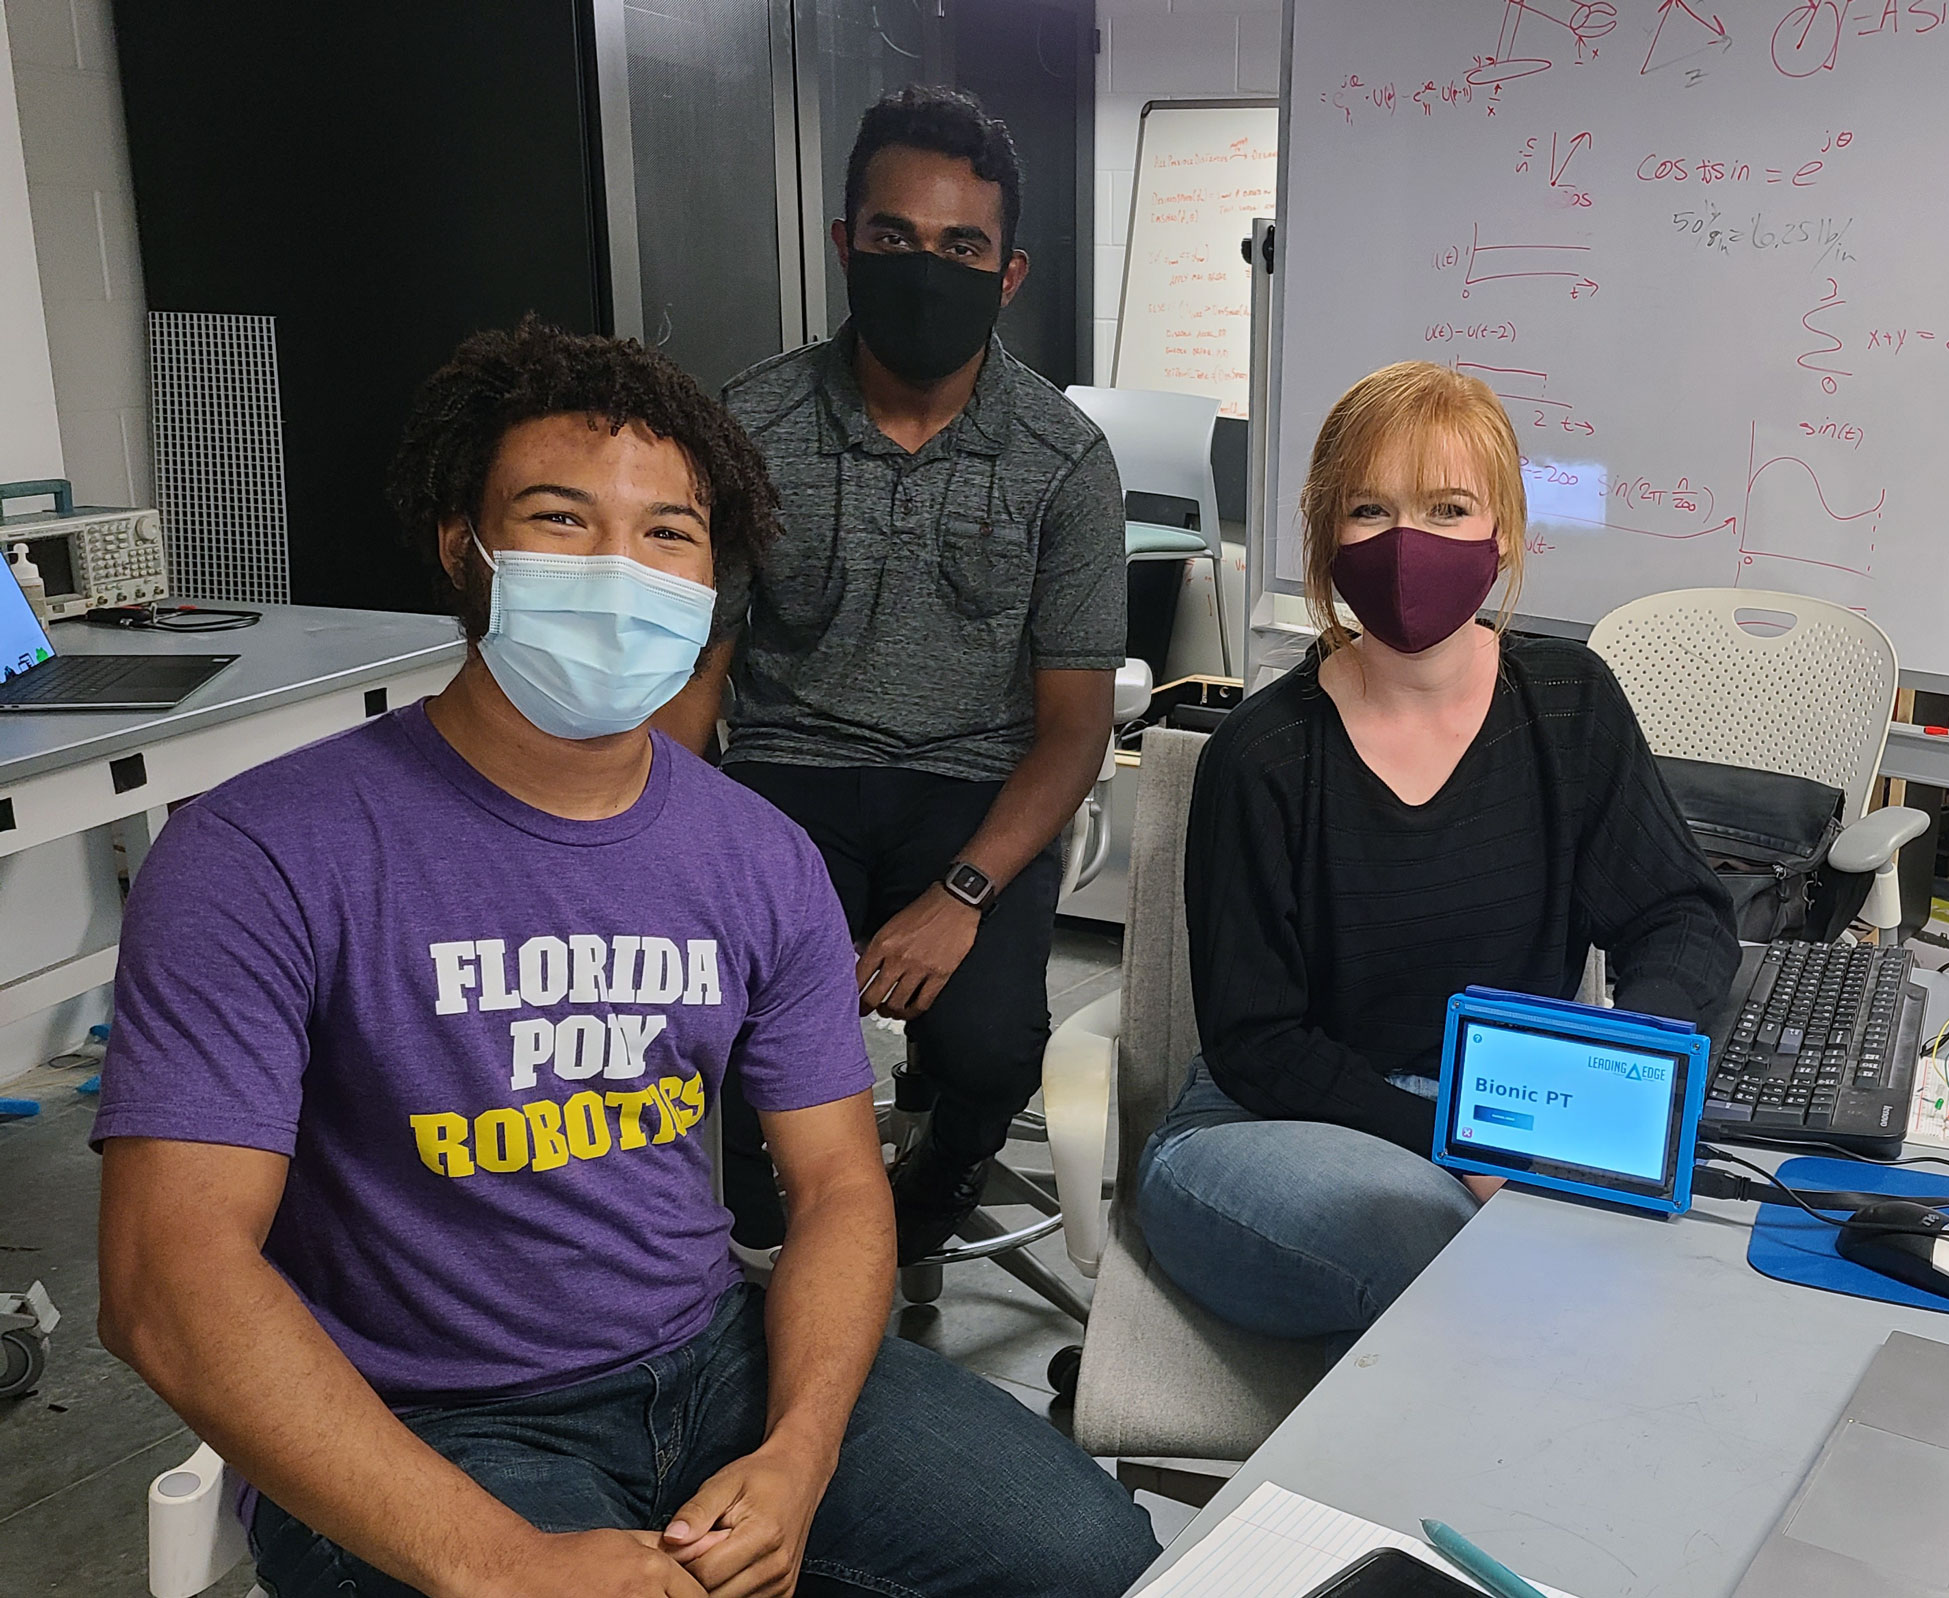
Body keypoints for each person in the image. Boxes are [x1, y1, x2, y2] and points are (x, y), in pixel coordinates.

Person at [93, 320, 1157, 1598]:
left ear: (713, 578)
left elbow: (831, 1188)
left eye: (667, 533)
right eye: (558, 517)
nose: (619, 567)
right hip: (430, 1413)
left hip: (712, 1361)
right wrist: (498, 1559)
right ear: (463, 547)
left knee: (1094, 1555)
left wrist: (801, 1449)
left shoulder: (757, 858)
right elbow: (169, 1275)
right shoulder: (258, 853)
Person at [1136, 361, 1740, 1356]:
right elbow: (1257, 1044)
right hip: (1263, 1128)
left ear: (1503, 532)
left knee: (1668, 1257)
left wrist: (1618, 1076)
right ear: (1325, 538)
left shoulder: (1568, 701)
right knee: (1462, 1254)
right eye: (1369, 508)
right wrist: (1467, 1148)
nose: (1407, 541)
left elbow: (1678, 913)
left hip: (1508, 1103)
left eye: (1448, 506)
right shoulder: (1264, 753)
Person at [657, 86, 1125, 1265]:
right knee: (705, 1015)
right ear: (844, 245)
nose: (926, 267)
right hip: (781, 775)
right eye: (893, 238)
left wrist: (958, 897)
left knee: (988, 1047)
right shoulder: (747, 424)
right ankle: (753, 1208)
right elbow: (697, 675)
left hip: (973, 790)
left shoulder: (1064, 461)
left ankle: (940, 1173)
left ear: (1007, 272)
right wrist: (657, 850)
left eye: (961, 246)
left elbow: (1071, 730)